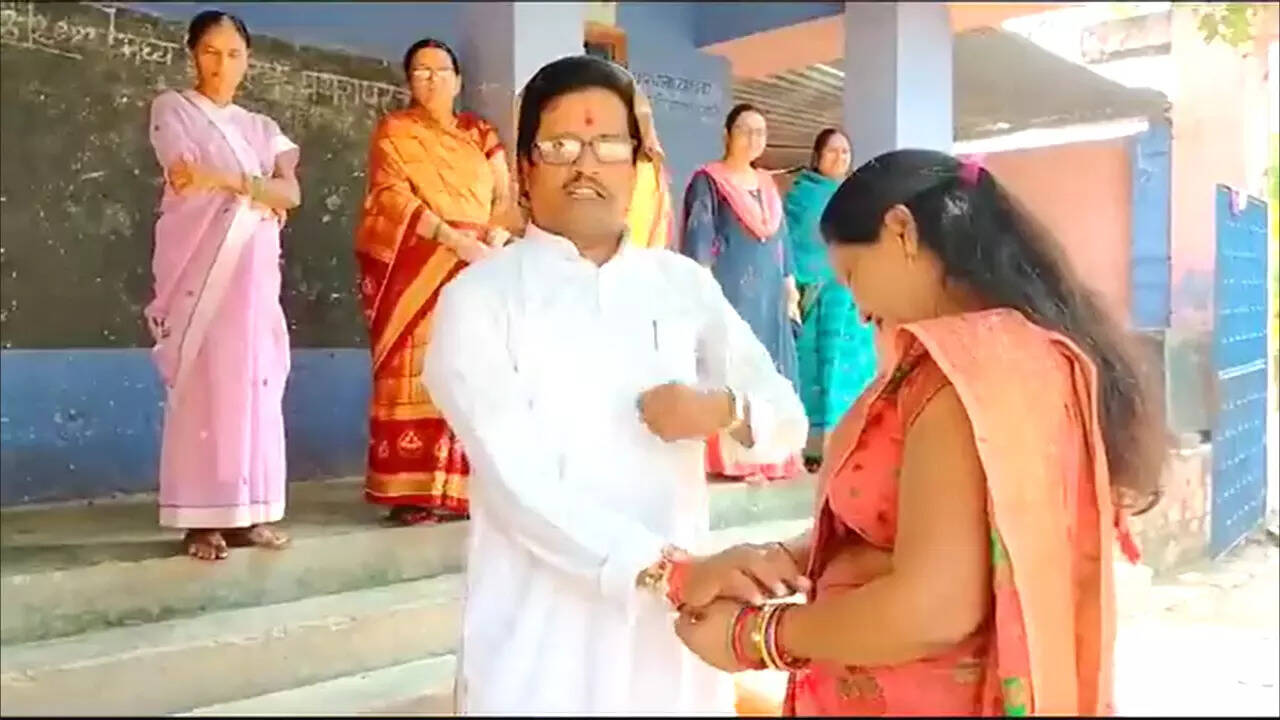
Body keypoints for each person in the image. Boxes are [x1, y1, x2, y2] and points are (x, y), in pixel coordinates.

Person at [673, 149, 1164, 716]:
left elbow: (935, 606)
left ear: (901, 230)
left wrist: (754, 637)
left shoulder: (961, 373)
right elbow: (938, 529)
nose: (860, 311)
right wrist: (783, 556)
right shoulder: (1018, 355)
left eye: (853, 276)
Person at [421, 55, 810, 714]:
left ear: (637, 164)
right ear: (524, 167)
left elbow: (786, 420)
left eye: (607, 146)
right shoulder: (479, 298)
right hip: (537, 638)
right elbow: (517, 482)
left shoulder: (682, 285)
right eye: (560, 146)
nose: (585, 166)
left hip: (667, 640)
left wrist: (725, 410)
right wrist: (667, 570)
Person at [144, 10, 301, 561]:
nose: (221, 64)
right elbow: (184, 176)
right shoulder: (173, 109)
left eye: (233, 54)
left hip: (254, 280)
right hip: (201, 273)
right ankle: (200, 521)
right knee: (205, 387)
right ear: (193, 53)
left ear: (247, 61)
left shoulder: (262, 128)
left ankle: (250, 513)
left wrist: (230, 182)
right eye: (211, 51)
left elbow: (290, 194)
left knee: (257, 384)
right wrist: (257, 191)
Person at [354, 38, 512, 526]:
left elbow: (505, 197)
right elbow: (390, 197)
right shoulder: (395, 131)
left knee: (472, 370)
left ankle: (467, 489)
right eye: (420, 71)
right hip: (420, 264)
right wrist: (450, 238)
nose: (431, 79)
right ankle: (413, 492)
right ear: (408, 81)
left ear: (458, 80)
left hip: (480, 265)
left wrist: (495, 237)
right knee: (417, 369)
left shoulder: (480, 134)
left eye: (441, 70)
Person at [681, 103, 803, 482]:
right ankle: (734, 458)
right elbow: (699, 234)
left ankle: (772, 456)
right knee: (733, 367)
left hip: (770, 294)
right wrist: (703, 288)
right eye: (745, 130)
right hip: (730, 292)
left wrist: (790, 286)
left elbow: (782, 241)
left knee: (771, 370)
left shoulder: (767, 184)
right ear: (727, 135)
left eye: (760, 132)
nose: (753, 139)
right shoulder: (709, 181)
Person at [786, 129, 878, 472]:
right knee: (813, 368)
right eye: (832, 151)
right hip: (814, 297)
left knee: (849, 371)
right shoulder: (800, 196)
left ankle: (846, 445)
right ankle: (811, 447)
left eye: (845, 152)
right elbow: (788, 243)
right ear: (817, 156)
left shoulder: (859, 195)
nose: (839, 157)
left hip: (852, 298)